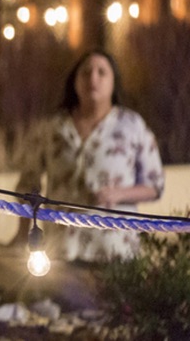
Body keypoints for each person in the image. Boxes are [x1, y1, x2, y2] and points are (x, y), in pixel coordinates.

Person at [16, 50, 165, 262]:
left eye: (101, 72)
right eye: (86, 72)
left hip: (115, 252)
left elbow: (155, 185)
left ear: (114, 82)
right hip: (60, 252)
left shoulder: (132, 126)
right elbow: (27, 186)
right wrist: (24, 234)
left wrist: (119, 194)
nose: (93, 78)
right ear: (75, 81)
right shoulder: (53, 128)